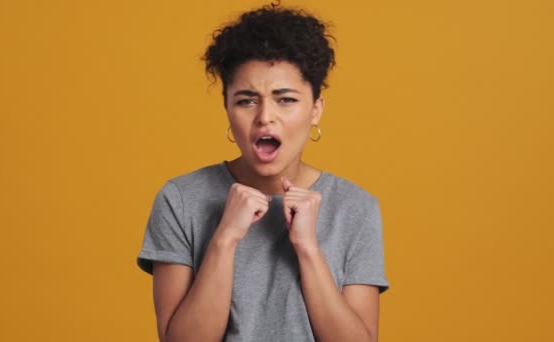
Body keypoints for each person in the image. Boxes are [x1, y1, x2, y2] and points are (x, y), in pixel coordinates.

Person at [137, 3, 389, 341]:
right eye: (246, 100)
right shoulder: (180, 200)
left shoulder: (355, 208)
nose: (265, 117)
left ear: (316, 109)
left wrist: (307, 248)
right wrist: (225, 238)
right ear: (226, 108)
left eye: (285, 99)